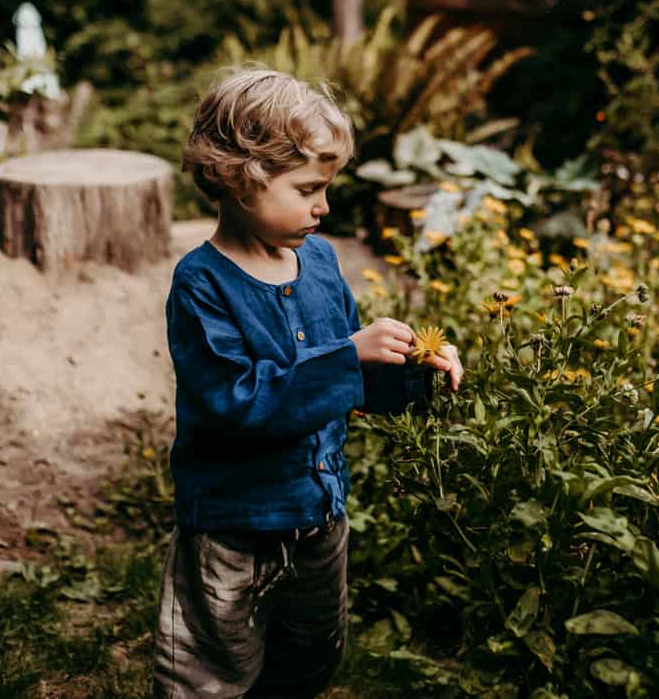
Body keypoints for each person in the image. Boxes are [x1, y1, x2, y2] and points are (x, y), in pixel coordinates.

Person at [151, 67, 462, 697]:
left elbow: (357, 385)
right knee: (209, 675)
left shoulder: (319, 261)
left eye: (326, 186)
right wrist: (349, 358)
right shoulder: (203, 284)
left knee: (308, 663)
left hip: (319, 521)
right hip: (231, 530)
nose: (324, 206)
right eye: (308, 189)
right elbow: (241, 403)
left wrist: (414, 374)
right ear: (242, 180)